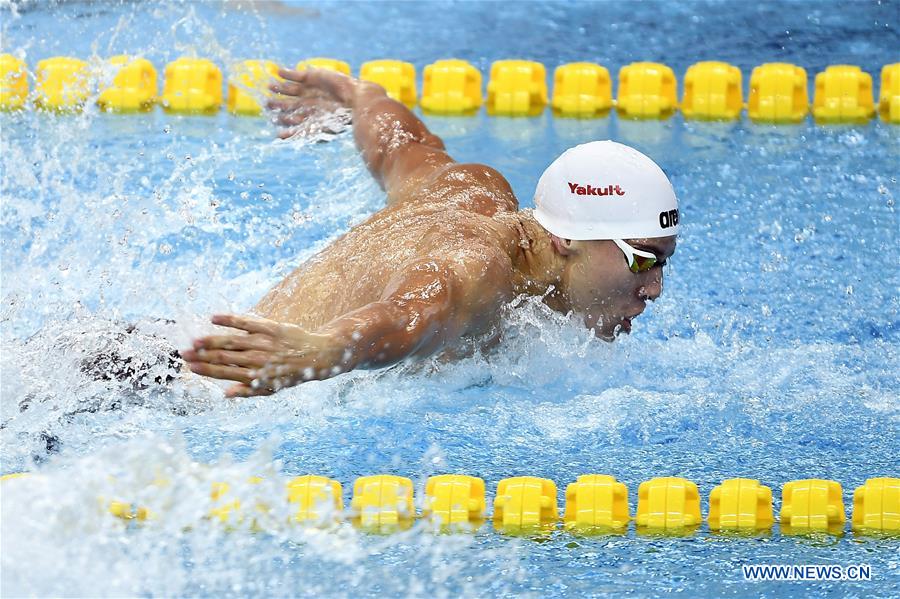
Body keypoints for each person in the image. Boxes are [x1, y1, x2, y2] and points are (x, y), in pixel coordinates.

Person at [180, 67, 680, 397]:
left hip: (199, 349)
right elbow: (410, 314)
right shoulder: (480, 268)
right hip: (204, 383)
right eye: (642, 258)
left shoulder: (474, 189)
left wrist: (363, 96)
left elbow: (404, 146)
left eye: (663, 262)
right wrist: (326, 350)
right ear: (567, 239)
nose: (654, 288)